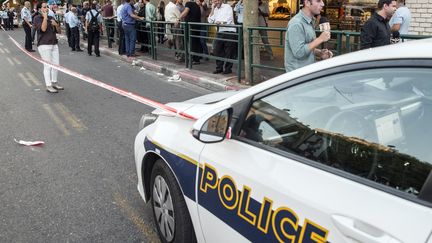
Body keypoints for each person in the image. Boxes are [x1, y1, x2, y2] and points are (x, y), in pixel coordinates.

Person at [284, 0, 332, 72]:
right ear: (307, 3)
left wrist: (320, 53)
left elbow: (306, 46)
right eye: (318, 1)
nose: (323, 4)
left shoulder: (311, 20)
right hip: (298, 75)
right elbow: (299, 52)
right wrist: (320, 39)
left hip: (307, 72)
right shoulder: (296, 24)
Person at [33, 1, 63, 93]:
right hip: (44, 44)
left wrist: (56, 25)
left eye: (47, 7)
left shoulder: (51, 17)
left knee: (56, 65)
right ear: (39, 9)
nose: (46, 9)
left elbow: (59, 31)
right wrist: (45, 17)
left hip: (54, 43)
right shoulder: (37, 18)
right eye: (44, 7)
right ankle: (48, 85)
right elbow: (43, 29)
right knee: (47, 66)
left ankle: (54, 82)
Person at [208, 0, 237, 74]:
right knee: (217, 50)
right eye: (214, 1)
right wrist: (212, 9)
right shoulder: (215, 9)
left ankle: (228, 69)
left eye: (217, 1)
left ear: (220, 0)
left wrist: (219, 22)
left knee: (229, 52)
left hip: (229, 31)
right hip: (220, 31)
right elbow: (210, 20)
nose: (215, 2)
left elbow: (229, 20)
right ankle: (219, 68)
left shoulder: (227, 7)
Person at [180, 0, 201, 64]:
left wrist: (178, 18)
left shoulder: (188, 3)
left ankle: (189, 58)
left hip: (190, 27)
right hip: (197, 27)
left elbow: (186, 12)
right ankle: (196, 59)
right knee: (196, 43)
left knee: (188, 42)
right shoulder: (197, 5)